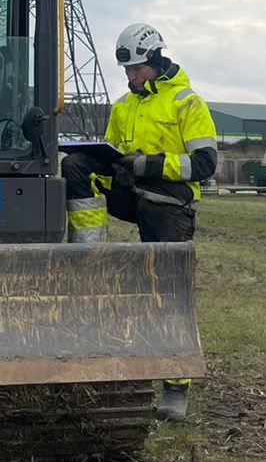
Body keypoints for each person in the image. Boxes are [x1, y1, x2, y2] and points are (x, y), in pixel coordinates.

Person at [62, 22, 217, 422]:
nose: (130, 78)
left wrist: (149, 165)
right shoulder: (123, 106)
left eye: (136, 70)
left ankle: (175, 388)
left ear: (157, 60)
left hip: (169, 202)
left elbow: (204, 164)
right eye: (127, 72)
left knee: (168, 292)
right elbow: (114, 153)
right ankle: (88, 254)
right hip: (132, 195)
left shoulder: (187, 103)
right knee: (76, 166)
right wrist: (114, 163)